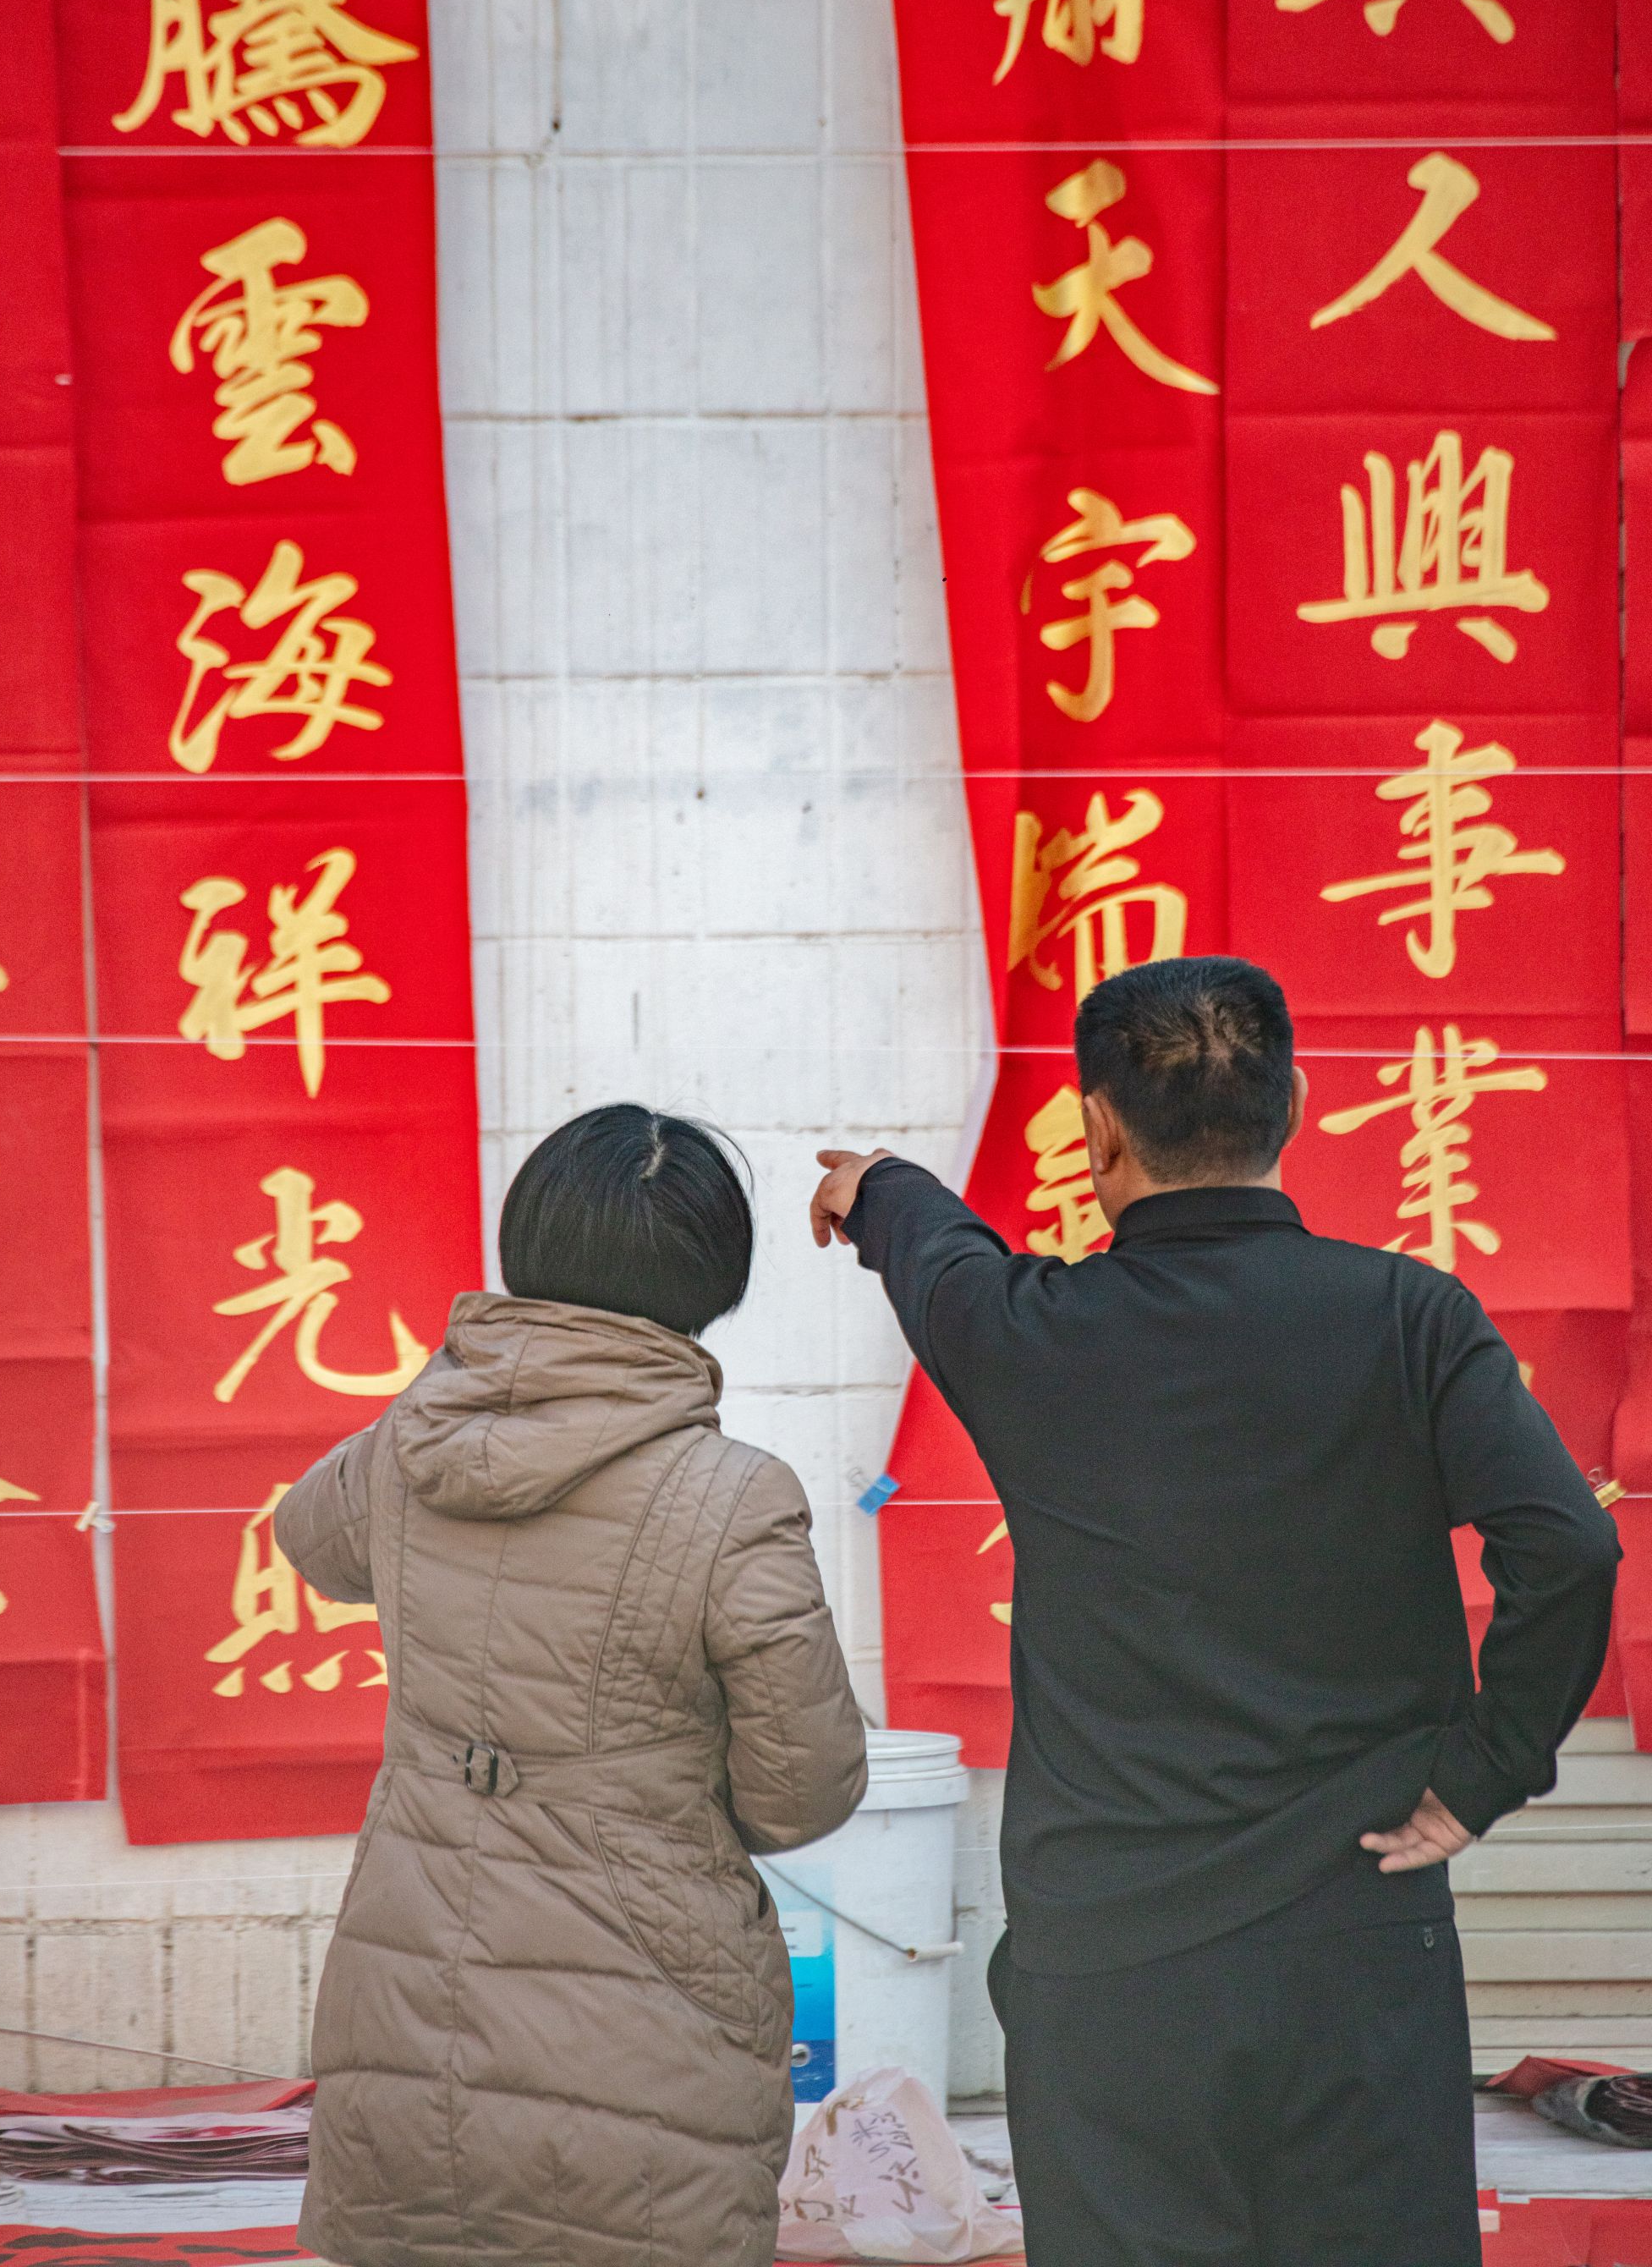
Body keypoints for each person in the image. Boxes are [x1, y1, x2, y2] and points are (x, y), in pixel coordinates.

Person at [810, 956, 1621, 2267]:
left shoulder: (1030, 1330)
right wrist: (1486, 1769)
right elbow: (1569, 1547)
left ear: (1098, 1131)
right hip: (1359, 1934)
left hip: (1110, 1967)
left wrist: (876, 1186)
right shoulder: (1408, 1317)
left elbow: (938, 1249)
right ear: (1291, 1103)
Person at [279, 1102, 868, 2267]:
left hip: (408, 1997)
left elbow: (311, 1540)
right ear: (714, 1279)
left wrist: (459, 1382)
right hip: (647, 2018)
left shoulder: (414, 1440)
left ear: (525, 1247)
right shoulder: (734, 1496)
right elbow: (804, 1795)